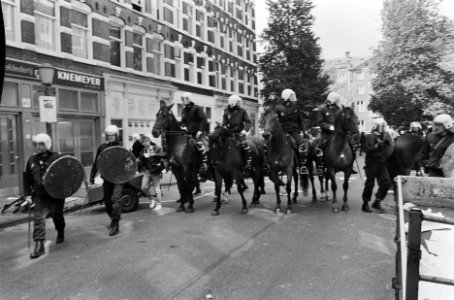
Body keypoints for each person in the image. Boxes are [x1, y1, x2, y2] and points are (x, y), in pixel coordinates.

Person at [25, 133, 65, 259]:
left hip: (55, 194)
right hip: (40, 195)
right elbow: (27, 178)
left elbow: (65, 175)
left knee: (56, 216)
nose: (38, 146)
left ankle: (60, 230)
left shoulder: (57, 157)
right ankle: (39, 245)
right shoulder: (31, 160)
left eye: (41, 144)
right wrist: (27, 194)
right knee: (39, 218)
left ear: (47, 144)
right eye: (36, 144)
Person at [89, 125, 124, 236]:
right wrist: (92, 177)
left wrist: (127, 175)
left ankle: (115, 223)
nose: (110, 137)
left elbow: (127, 163)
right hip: (107, 177)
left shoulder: (120, 148)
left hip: (118, 178)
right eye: (108, 135)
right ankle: (114, 218)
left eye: (112, 135)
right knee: (107, 202)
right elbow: (97, 162)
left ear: (116, 135)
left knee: (116, 199)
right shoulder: (102, 147)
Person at [315, 91, 358, 175]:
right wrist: (330, 127)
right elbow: (320, 122)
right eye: (337, 100)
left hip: (339, 133)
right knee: (319, 146)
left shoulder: (340, 110)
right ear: (333, 100)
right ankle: (321, 165)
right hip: (327, 133)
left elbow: (344, 121)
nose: (338, 101)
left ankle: (350, 165)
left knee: (352, 145)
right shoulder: (322, 110)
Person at [361, 118, 394, 213]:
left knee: (386, 182)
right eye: (382, 126)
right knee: (370, 184)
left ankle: (377, 201)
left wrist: (387, 143)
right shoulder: (370, 136)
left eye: (383, 125)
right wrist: (377, 146)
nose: (383, 127)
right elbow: (366, 149)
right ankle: (365, 204)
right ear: (377, 126)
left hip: (382, 163)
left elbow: (389, 148)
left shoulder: (384, 136)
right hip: (372, 163)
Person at [273, 88, 309, 175]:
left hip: (293, 132)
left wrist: (305, 131)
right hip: (281, 133)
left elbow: (300, 121)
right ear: (287, 97)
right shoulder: (278, 108)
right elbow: (274, 121)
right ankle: (270, 163)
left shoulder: (296, 108)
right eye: (291, 96)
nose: (293, 98)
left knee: (302, 144)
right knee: (271, 145)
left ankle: (302, 165)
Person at [180, 92, 209, 181]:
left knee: (200, 144)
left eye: (185, 99)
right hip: (188, 133)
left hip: (198, 133)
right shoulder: (183, 110)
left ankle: (204, 163)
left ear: (189, 99)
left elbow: (203, 119)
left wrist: (200, 131)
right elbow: (183, 121)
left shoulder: (197, 108)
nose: (183, 101)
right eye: (183, 99)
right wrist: (183, 127)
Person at [222, 94, 252, 175]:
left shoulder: (242, 111)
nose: (240, 103)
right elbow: (224, 123)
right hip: (230, 134)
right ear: (233, 103)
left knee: (244, 144)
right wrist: (225, 128)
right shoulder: (226, 112)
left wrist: (244, 131)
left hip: (240, 134)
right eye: (238, 102)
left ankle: (248, 162)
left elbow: (248, 122)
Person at [138, 134, 165, 211]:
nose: (145, 143)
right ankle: (152, 199)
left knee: (157, 188)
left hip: (155, 170)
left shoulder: (156, 147)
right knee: (143, 188)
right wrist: (142, 158)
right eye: (143, 142)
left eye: (146, 141)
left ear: (149, 140)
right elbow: (141, 161)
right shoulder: (143, 150)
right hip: (147, 171)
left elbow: (164, 155)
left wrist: (154, 154)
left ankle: (159, 204)